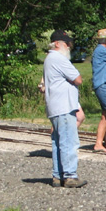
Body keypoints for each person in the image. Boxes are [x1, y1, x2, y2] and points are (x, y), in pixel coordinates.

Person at [43, 30, 87, 188]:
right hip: (64, 106)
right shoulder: (59, 59)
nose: (69, 46)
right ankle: (70, 176)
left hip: (55, 106)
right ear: (57, 43)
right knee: (68, 141)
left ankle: (57, 175)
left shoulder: (49, 59)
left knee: (58, 142)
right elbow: (78, 79)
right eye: (66, 43)